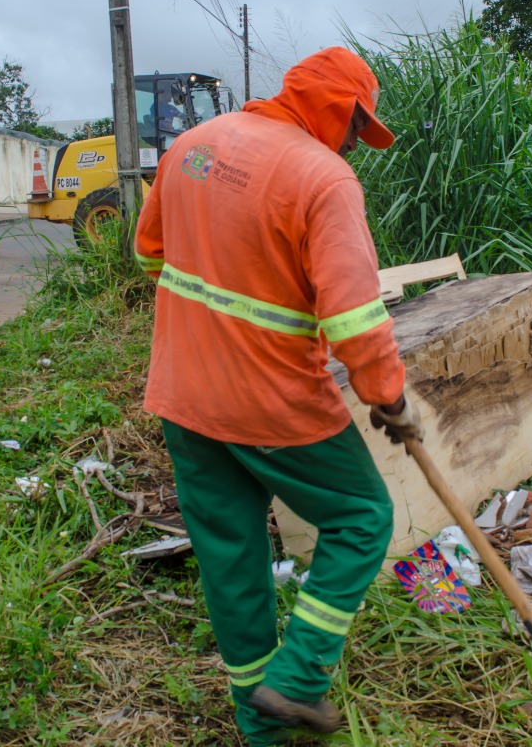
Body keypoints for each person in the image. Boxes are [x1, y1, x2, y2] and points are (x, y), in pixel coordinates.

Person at [134, 47, 422, 746]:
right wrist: (390, 397)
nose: (358, 141)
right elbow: (355, 317)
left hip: (184, 394)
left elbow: (148, 253)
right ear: (339, 109)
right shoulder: (323, 177)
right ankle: (294, 682)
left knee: (233, 560)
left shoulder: (193, 148)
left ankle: (260, 731)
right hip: (271, 402)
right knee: (360, 518)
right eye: (359, 126)